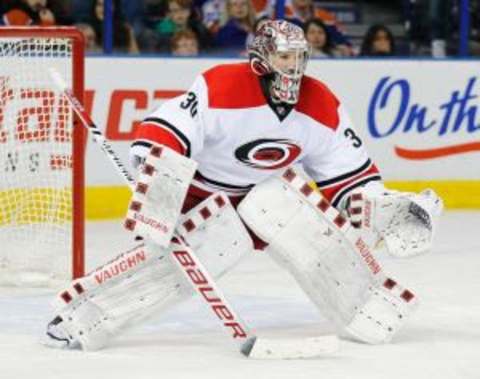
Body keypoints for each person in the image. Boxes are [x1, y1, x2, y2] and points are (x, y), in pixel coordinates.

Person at [41, 20, 442, 351]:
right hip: (198, 194)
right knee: (179, 263)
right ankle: (85, 315)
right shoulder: (221, 87)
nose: (294, 66)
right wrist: (157, 174)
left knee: (313, 233)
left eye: (300, 57)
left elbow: (348, 177)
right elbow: (169, 130)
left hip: (262, 191)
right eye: (284, 57)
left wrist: (379, 208)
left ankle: (365, 308)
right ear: (260, 59)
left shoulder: (322, 105)